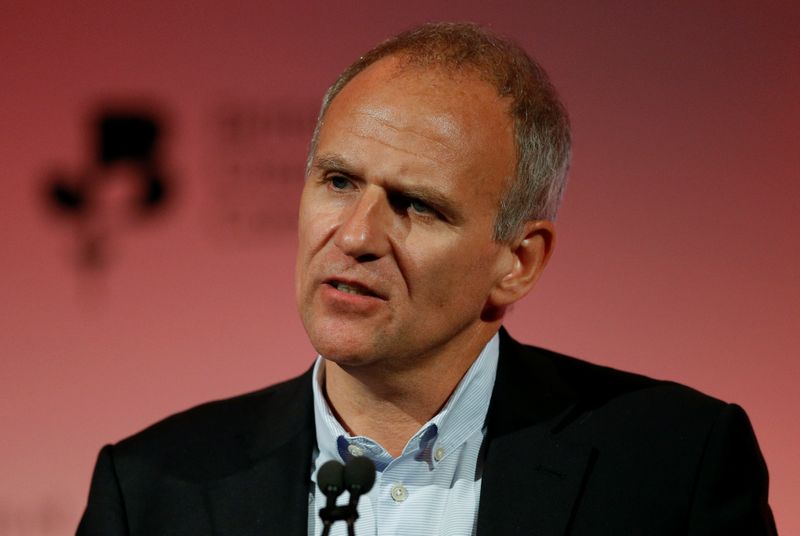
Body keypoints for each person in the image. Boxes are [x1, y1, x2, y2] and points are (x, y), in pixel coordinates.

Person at [77, 22, 777, 536]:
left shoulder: (673, 468)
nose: (354, 235)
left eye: (417, 205)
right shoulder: (151, 490)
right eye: (339, 180)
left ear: (518, 261)